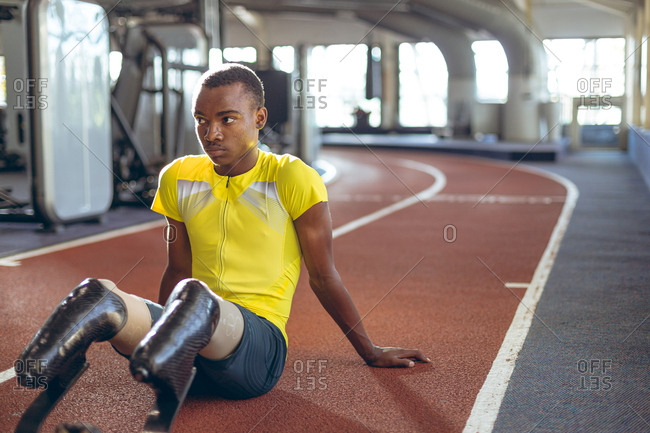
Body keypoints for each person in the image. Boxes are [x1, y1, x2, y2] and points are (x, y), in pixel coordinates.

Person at [16, 64, 429, 411]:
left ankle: (173, 345)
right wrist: (159, 322)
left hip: (255, 351)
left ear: (259, 119)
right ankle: (42, 368)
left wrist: (370, 351)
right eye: (201, 119)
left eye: (226, 119)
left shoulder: (291, 177)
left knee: (198, 300)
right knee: (100, 294)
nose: (211, 133)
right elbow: (176, 269)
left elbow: (323, 277)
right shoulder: (178, 176)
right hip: (186, 337)